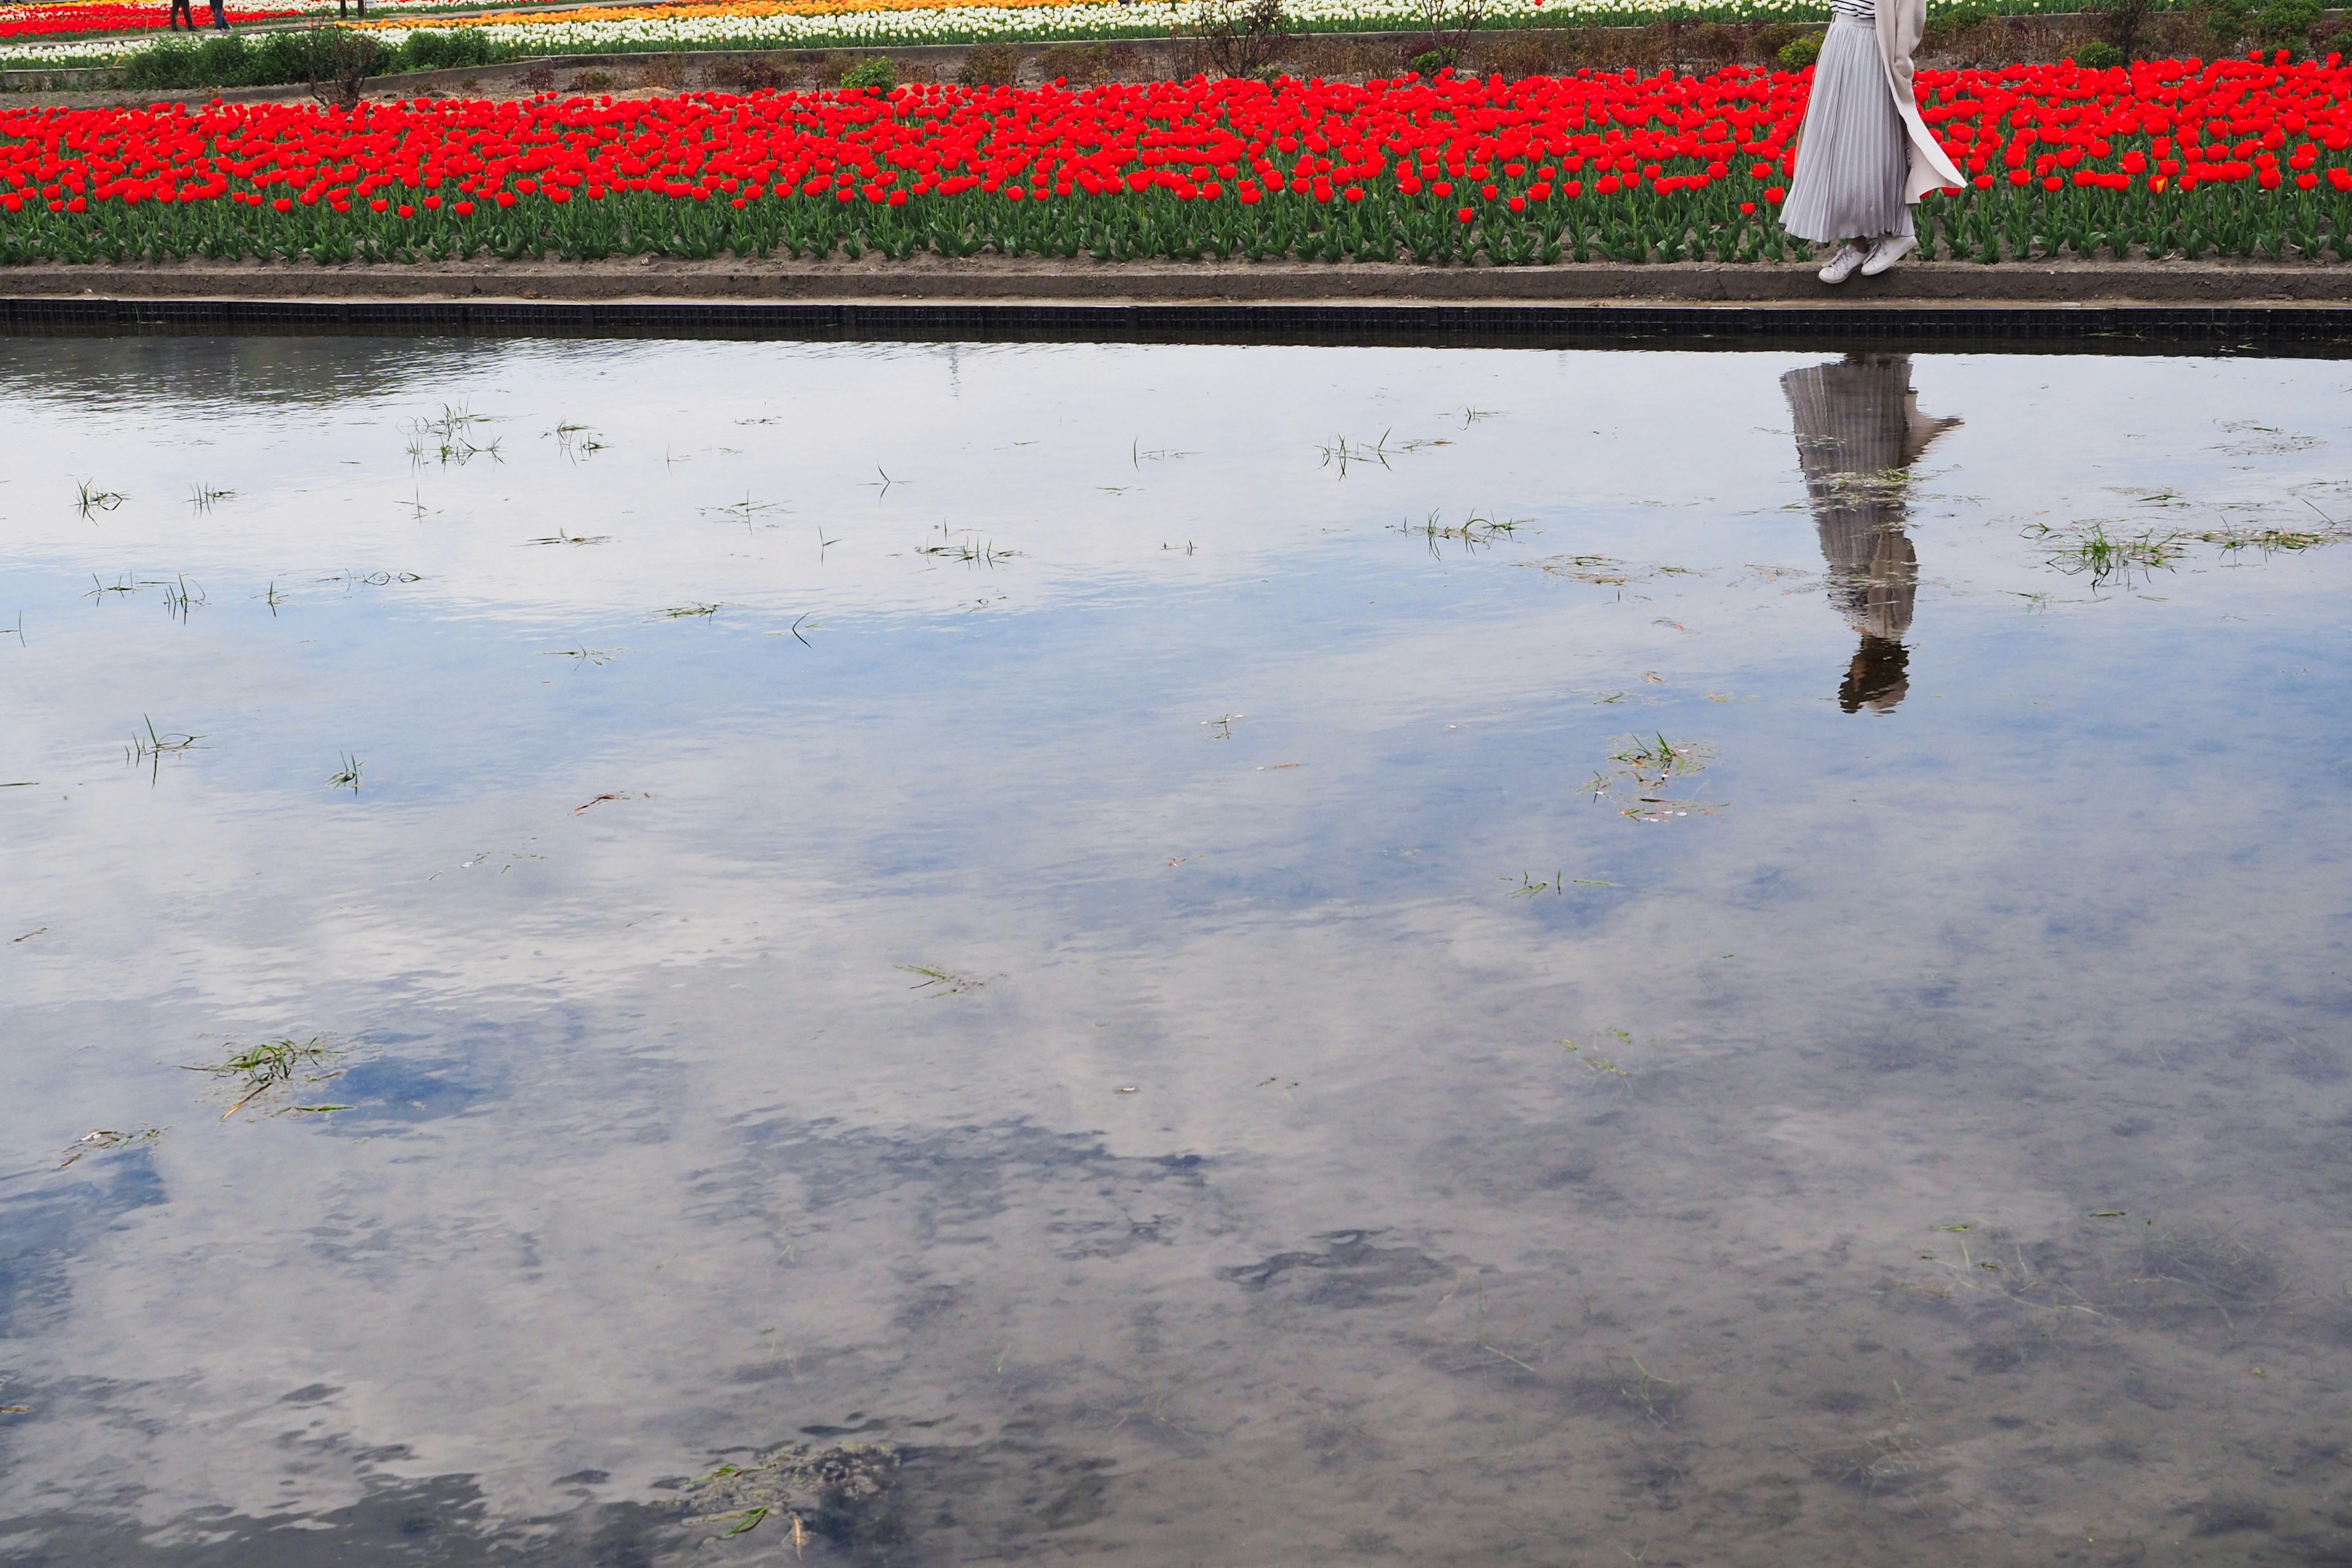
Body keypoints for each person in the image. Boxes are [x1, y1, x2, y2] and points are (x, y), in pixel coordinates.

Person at [1780, 354, 1959, 713]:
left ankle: (1859, 381)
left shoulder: (1879, 630)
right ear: (1871, 673)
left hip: (1848, 534)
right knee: (1856, 451)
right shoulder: (1886, 626)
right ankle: (1862, 380)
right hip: (1862, 534)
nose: (1851, 673)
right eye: (1856, 678)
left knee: (1840, 457)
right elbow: (1889, 571)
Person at [1779, 0, 1966, 284]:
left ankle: (1899, 233)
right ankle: (1857, 244)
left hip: (1875, 45)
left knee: (1875, 142)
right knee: (1834, 144)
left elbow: (1911, 12)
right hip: (1840, 37)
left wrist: (1899, 63)